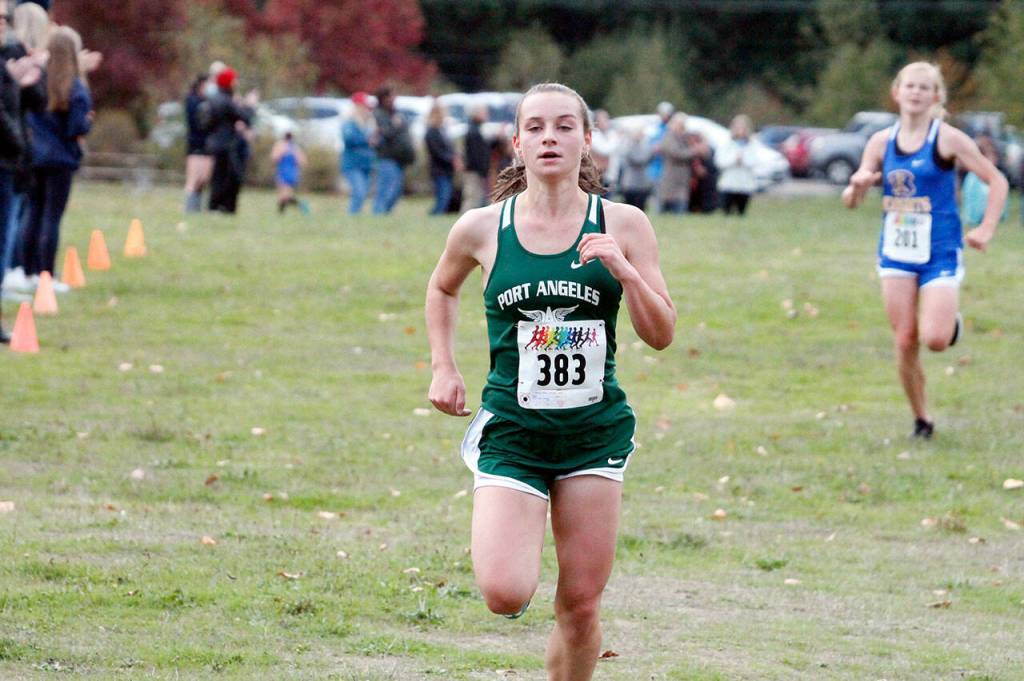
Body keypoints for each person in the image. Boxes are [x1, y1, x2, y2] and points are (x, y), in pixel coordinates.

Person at [425, 82, 676, 681]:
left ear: (587, 140)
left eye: (565, 126)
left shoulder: (625, 224)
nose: (550, 138)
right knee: (504, 593)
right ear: (516, 143)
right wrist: (443, 363)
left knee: (581, 604)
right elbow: (441, 288)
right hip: (514, 431)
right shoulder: (482, 228)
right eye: (535, 127)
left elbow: (662, 332)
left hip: (594, 433)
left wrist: (623, 270)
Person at [842, 62, 1008, 439]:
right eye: (910, 86)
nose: (916, 93)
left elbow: (996, 181)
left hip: (940, 250)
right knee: (904, 339)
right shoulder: (880, 142)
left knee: (933, 339)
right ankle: (922, 419)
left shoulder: (947, 139)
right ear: (897, 92)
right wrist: (857, 186)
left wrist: (985, 228)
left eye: (924, 87)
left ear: (936, 97)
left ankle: (949, 324)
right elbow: (851, 199)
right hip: (896, 251)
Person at [21, 27, 91, 291]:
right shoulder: (74, 87)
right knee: (51, 216)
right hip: (60, 158)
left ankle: (26, 270)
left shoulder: (37, 79)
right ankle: (46, 274)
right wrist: (86, 123)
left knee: (33, 212)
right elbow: (75, 128)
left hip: (35, 155)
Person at [205, 67, 253, 214]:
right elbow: (245, 117)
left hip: (215, 142)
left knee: (218, 176)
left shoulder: (214, 99)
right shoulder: (226, 100)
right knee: (230, 177)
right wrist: (249, 105)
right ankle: (224, 207)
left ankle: (216, 206)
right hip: (227, 144)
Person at [371, 86, 414, 214]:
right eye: (391, 96)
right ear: (383, 98)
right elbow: (385, 133)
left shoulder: (395, 113)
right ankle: (378, 213)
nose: (394, 99)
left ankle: (385, 213)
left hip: (399, 157)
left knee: (396, 190)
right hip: (386, 157)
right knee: (385, 188)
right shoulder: (378, 114)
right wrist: (395, 125)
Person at [960, 135, 1007, 228]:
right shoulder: (973, 178)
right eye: (990, 157)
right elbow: (971, 200)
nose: (994, 159)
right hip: (976, 220)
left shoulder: (997, 176)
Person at [340, 91, 376, 214]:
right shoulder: (349, 123)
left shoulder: (368, 123)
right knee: (359, 192)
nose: (367, 110)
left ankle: (355, 216)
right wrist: (367, 140)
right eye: (365, 107)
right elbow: (349, 139)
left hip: (366, 164)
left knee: (363, 193)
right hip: (352, 165)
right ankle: (352, 216)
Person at [716, 114, 758, 216]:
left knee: (741, 212)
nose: (740, 130)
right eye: (738, 127)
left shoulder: (752, 144)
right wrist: (734, 160)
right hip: (728, 183)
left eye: (743, 127)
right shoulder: (726, 142)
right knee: (726, 211)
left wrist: (743, 160)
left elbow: (755, 161)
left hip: (745, 184)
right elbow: (719, 162)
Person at [183, 74, 212, 212]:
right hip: (195, 144)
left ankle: (197, 207)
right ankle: (189, 209)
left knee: (204, 178)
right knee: (193, 178)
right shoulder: (192, 101)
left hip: (207, 145)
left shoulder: (208, 101)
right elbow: (197, 122)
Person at [424, 100, 459, 215]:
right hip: (439, 170)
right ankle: (434, 216)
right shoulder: (432, 132)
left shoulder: (442, 130)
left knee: (444, 197)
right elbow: (437, 152)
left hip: (446, 170)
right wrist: (451, 159)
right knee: (442, 197)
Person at [657, 112, 694, 214]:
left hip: (682, 178)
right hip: (670, 178)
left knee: (680, 205)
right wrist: (694, 151)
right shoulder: (668, 137)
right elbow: (676, 153)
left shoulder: (685, 138)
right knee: (665, 207)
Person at [461, 103, 490, 211]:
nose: (486, 114)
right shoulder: (474, 132)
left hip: (476, 170)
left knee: (478, 197)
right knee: (472, 198)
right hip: (474, 171)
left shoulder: (476, 129)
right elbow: (476, 155)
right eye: (483, 112)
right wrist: (482, 171)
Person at [271, 130, 308, 214]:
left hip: (291, 173)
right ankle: (282, 213)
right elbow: (274, 158)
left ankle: (300, 205)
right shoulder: (279, 145)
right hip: (281, 171)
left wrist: (296, 155)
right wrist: (282, 151)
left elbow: (303, 162)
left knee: (285, 195)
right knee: (282, 195)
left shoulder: (295, 147)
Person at [619, 128, 653, 211]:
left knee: (641, 208)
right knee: (629, 208)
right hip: (631, 183)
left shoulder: (645, 146)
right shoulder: (629, 146)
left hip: (642, 183)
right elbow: (638, 159)